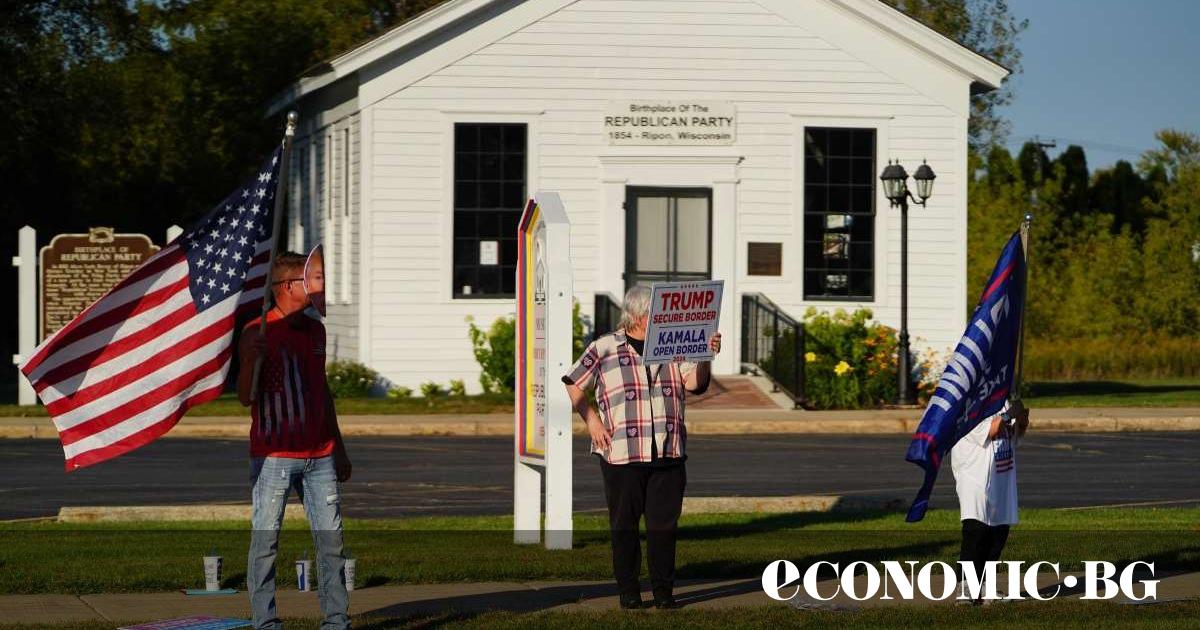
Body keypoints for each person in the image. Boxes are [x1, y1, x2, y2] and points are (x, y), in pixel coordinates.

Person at [563, 285, 721, 610]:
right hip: (622, 453)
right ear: (638, 314)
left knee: (664, 527)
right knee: (624, 526)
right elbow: (574, 382)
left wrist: (706, 355)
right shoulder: (605, 346)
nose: (665, 319)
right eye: (658, 313)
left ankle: (664, 593)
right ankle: (629, 592)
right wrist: (592, 421)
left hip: (668, 451)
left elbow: (695, 384)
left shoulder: (674, 345)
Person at [238, 251, 352, 630]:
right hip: (274, 456)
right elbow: (244, 397)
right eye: (311, 278)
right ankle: (265, 623)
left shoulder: (315, 330)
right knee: (266, 543)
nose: (318, 285)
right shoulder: (258, 330)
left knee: (331, 542)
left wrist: (340, 449)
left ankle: (336, 621)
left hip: (320, 454)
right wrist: (252, 362)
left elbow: (323, 391)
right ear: (287, 286)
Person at [952, 398, 1030, 604]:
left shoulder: (1002, 401)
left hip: (1001, 479)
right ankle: (966, 589)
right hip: (975, 479)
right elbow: (992, 429)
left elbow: (1015, 434)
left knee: (997, 537)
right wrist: (1009, 415)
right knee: (976, 534)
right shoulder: (969, 405)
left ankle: (985, 586)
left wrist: (1021, 419)